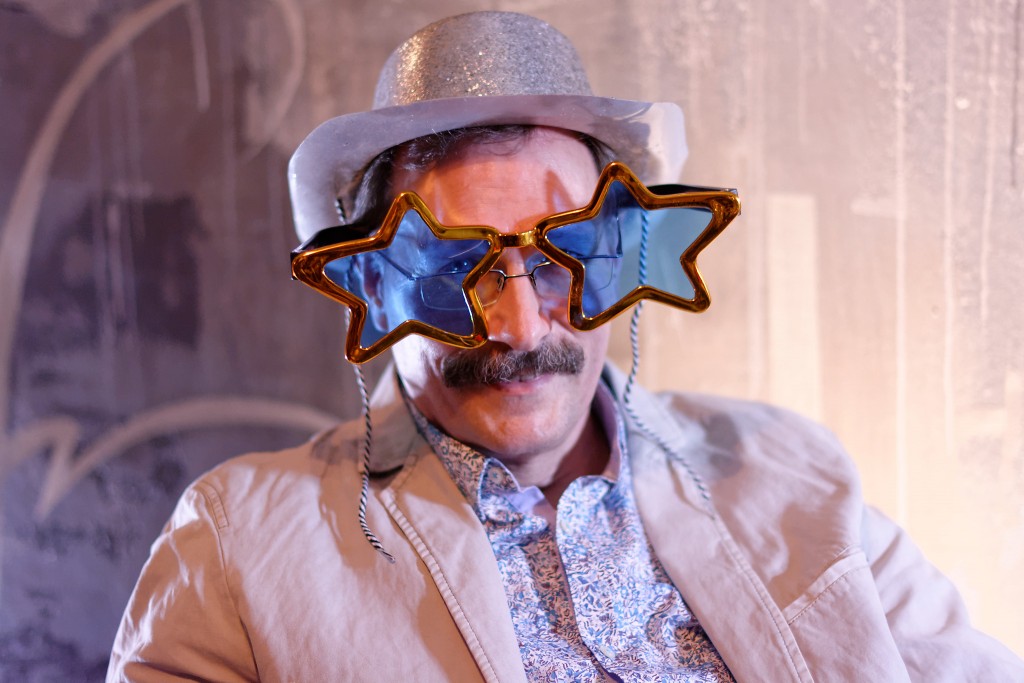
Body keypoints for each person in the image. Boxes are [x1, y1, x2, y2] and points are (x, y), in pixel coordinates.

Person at [108, 11, 1024, 682]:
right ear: (377, 283)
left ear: (621, 256)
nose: (517, 326)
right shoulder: (236, 542)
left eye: (562, 260)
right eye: (456, 269)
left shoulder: (797, 472)